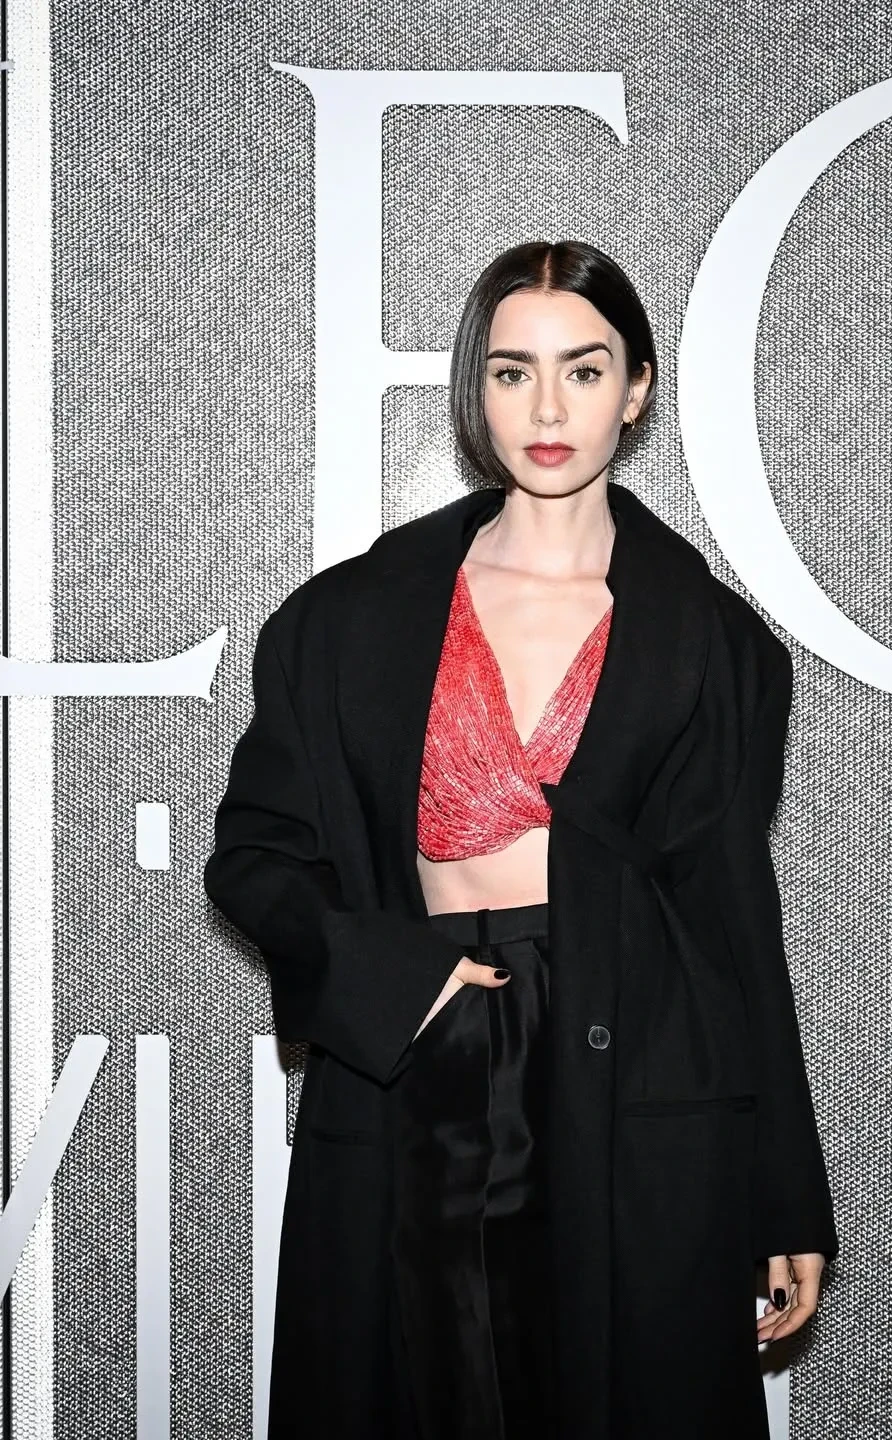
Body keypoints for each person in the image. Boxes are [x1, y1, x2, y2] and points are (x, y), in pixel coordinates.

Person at [203, 239, 839, 1440]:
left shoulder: (719, 646)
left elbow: (734, 921)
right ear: (475, 387)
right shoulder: (342, 620)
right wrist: (396, 977)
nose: (548, 410)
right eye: (512, 372)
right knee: (410, 1389)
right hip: (415, 1046)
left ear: (636, 390)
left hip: (639, 1062)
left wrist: (782, 1190)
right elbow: (257, 855)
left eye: (584, 371)